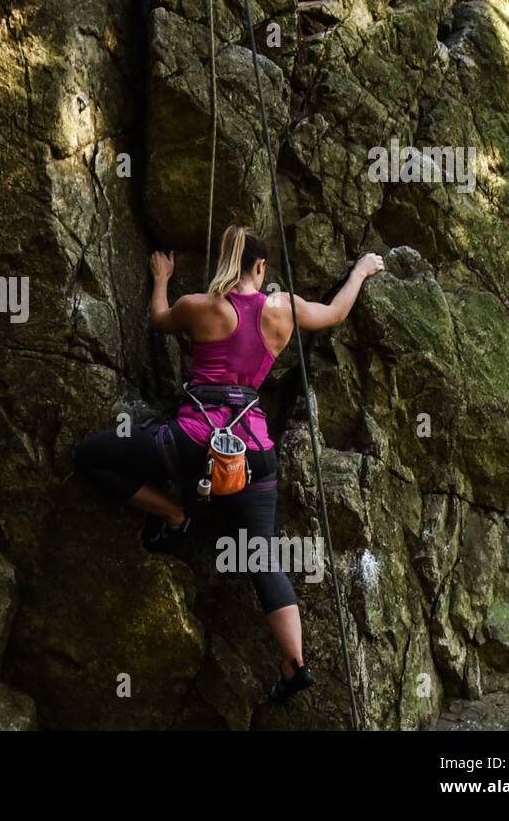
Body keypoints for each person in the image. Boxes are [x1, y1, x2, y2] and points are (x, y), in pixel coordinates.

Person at [72, 224, 384, 701]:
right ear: (261, 267)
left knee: (90, 455)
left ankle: (173, 515)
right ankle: (294, 662)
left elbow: (158, 320)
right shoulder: (284, 310)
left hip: (194, 441)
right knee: (261, 554)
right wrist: (362, 269)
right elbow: (336, 312)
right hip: (254, 453)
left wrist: (161, 277)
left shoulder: (200, 306)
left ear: (226, 263)